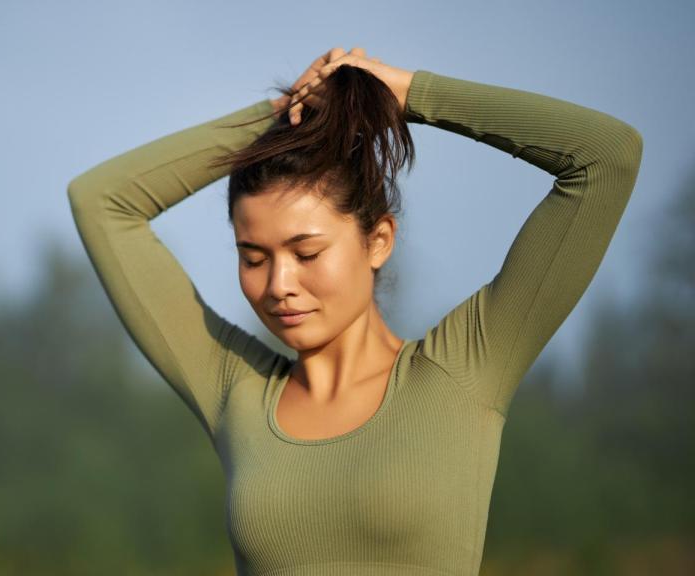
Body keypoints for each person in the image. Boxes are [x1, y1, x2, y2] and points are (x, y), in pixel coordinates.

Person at [67, 46, 643, 575]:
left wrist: (408, 95)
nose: (279, 285)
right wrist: (281, 117)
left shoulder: (464, 369)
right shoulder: (235, 393)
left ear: (378, 241)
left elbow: (605, 157)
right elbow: (101, 202)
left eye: (306, 251)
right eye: (253, 257)